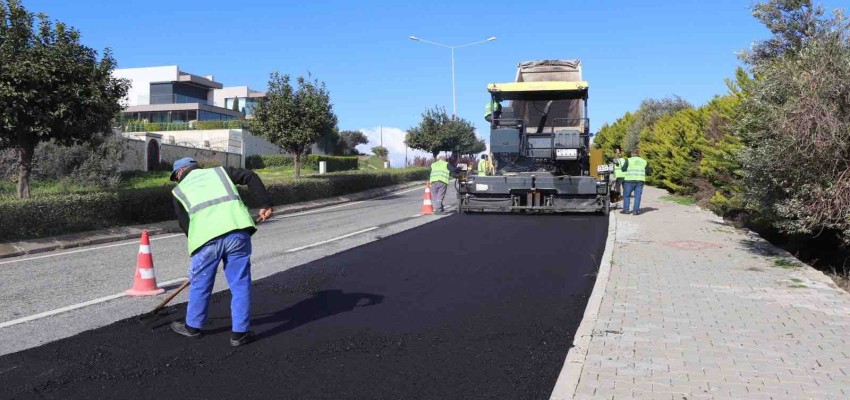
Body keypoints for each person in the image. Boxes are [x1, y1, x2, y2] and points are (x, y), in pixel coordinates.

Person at [169, 157, 274, 347]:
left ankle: (192, 327)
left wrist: (197, 251)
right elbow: (250, 176)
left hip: (205, 241)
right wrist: (265, 204)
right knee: (240, 283)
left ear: (179, 172)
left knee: (200, 284)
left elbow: (186, 226)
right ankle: (239, 334)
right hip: (237, 232)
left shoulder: (178, 191)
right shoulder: (220, 172)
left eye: (176, 177)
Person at [621, 148, 649, 215]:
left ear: (632, 154)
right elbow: (648, 171)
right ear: (638, 154)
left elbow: (623, 169)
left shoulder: (629, 160)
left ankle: (626, 210)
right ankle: (635, 211)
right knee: (637, 196)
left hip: (629, 180)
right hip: (640, 180)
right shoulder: (644, 161)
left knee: (627, 195)